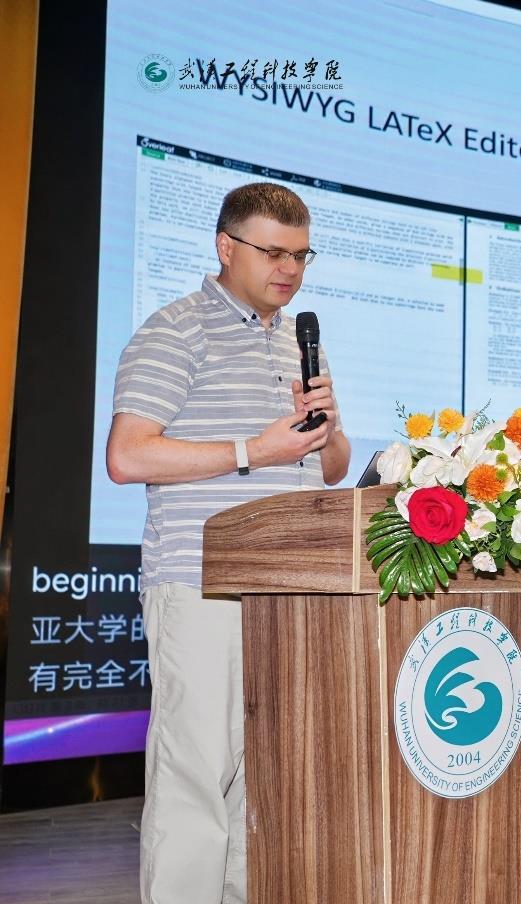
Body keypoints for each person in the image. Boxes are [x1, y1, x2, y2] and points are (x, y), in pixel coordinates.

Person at [106, 182, 351, 904]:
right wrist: (254, 450)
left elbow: (329, 469)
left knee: (265, 785)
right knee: (195, 778)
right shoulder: (175, 331)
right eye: (273, 252)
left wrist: (328, 429)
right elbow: (128, 455)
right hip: (202, 585)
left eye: (301, 255)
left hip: (286, 590)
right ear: (225, 246)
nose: (289, 269)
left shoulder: (297, 341)